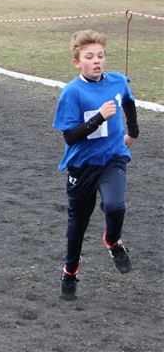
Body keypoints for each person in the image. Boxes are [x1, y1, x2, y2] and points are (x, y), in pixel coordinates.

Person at [53, 29, 138, 301]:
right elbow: (70, 136)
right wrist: (99, 117)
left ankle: (113, 241)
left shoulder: (117, 81)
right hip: (82, 166)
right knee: (77, 226)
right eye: (89, 57)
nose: (97, 61)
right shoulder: (72, 92)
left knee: (115, 206)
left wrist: (133, 132)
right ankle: (70, 270)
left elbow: (129, 101)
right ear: (77, 62)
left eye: (100, 55)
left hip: (113, 158)